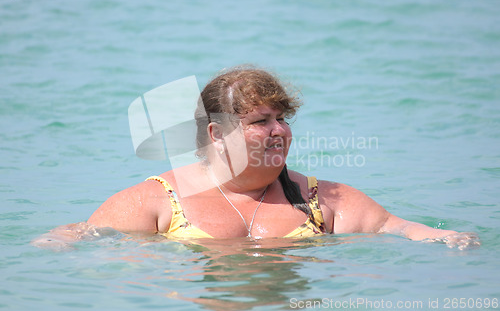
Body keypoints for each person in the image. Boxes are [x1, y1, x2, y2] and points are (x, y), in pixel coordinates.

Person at [33, 66, 479, 249]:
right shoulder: (159, 200)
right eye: (260, 121)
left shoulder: (323, 199)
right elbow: (85, 237)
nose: (279, 130)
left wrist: (442, 238)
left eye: (282, 119)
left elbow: (392, 227)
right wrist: (62, 239)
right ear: (217, 132)